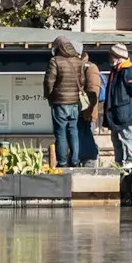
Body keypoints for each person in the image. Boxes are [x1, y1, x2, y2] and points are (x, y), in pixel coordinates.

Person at [43, 37, 88, 167]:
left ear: (57, 48)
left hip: (60, 102)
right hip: (74, 103)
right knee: (73, 130)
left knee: (61, 132)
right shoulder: (78, 62)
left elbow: (49, 82)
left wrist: (49, 96)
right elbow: (83, 81)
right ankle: (74, 160)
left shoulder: (55, 61)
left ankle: (62, 161)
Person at [104, 43, 132, 168]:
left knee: (127, 137)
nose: (110, 58)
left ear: (118, 56)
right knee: (116, 139)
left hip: (123, 112)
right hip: (115, 112)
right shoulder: (115, 71)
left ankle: (130, 161)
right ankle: (119, 162)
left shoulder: (127, 71)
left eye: (112, 55)